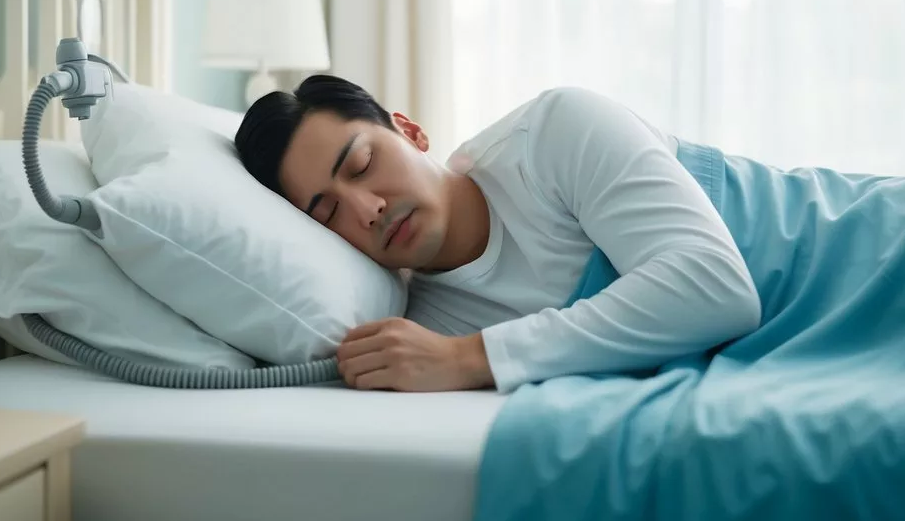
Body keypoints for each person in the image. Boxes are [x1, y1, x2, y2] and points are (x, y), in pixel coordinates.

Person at [233, 74, 765, 394]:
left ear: (411, 131)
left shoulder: (554, 132)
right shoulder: (424, 325)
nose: (366, 210)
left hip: (825, 251)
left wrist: (470, 359)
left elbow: (717, 288)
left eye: (364, 164)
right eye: (328, 215)